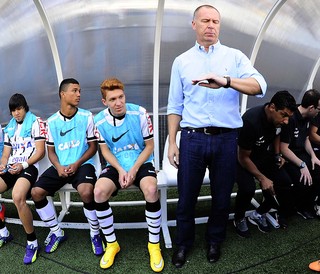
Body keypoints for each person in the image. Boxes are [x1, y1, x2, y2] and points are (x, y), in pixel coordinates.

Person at [167, 4, 267, 268]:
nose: (211, 25)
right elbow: (175, 106)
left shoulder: (234, 58)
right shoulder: (182, 61)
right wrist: (171, 143)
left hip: (226, 139)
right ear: (194, 25)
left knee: (222, 196)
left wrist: (226, 80)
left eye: (215, 21)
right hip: (192, 139)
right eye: (205, 21)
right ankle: (183, 245)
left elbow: (260, 86)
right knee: (186, 195)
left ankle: (214, 241)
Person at [93, 78, 164, 272]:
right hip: (116, 165)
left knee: (151, 189)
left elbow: (150, 146)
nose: (118, 102)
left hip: (141, 161)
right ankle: (112, 244)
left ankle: (154, 245)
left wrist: (132, 170)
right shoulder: (98, 120)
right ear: (104, 102)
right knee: (98, 192)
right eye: (113, 99)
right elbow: (105, 151)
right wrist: (121, 170)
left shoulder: (139, 113)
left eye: (121, 97)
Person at [31, 78, 104, 256]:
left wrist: (77, 162)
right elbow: (51, 152)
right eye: (74, 90)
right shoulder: (52, 122)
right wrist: (58, 166)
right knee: (36, 192)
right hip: (60, 166)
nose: (79, 94)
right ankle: (57, 232)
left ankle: (95, 232)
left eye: (80, 91)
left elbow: (93, 147)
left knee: (87, 191)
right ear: (63, 94)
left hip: (82, 164)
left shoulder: (86, 116)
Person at [233, 91, 296, 238]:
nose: (286, 121)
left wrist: (277, 155)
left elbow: (277, 134)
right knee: (248, 188)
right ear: (272, 107)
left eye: (289, 117)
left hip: (261, 155)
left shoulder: (280, 120)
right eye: (284, 115)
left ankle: (258, 213)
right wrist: (262, 178)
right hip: (241, 157)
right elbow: (243, 157)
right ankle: (239, 217)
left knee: (285, 182)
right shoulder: (251, 120)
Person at [0, 93, 46, 264]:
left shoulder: (36, 122)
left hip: (29, 167)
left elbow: (40, 152)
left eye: (19, 109)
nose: (16, 113)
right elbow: (5, 154)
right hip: (12, 168)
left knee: (18, 197)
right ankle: (3, 232)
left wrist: (23, 165)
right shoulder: (10, 128)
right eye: (13, 110)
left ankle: (32, 242)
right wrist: (3, 164)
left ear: (25, 107)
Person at [280, 89, 320, 220]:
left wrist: (314, 157)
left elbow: (306, 139)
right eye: (318, 109)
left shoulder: (308, 117)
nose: (318, 112)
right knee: (304, 180)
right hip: (288, 157)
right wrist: (302, 165)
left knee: (318, 170)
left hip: (301, 153)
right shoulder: (291, 118)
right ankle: (295, 207)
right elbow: (284, 148)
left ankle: (309, 205)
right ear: (311, 108)